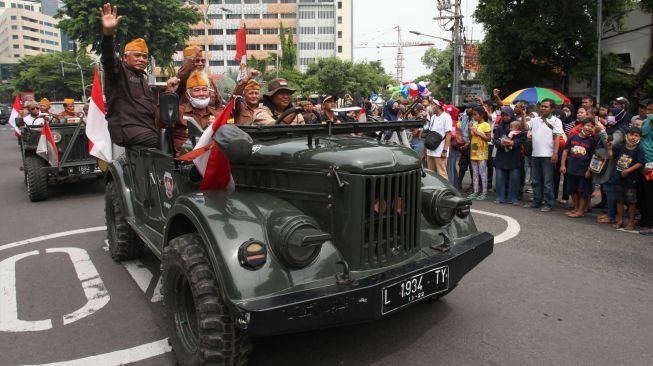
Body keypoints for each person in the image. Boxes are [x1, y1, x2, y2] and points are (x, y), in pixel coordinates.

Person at [99, 3, 158, 148]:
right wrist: (108, 34)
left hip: (147, 129)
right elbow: (108, 58)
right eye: (137, 55)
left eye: (145, 57)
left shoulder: (142, 79)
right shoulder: (119, 71)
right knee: (165, 142)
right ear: (125, 58)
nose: (141, 59)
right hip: (127, 130)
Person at [159, 71, 222, 151]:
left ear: (209, 93)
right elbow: (162, 124)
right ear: (187, 95)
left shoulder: (216, 114)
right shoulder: (179, 111)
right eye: (197, 90)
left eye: (204, 90)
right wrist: (169, 93)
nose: (201, 93)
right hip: (183, 158)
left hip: (208, 157)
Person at [522, 98, 563, 212]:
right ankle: (536, 201)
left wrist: (555, 153)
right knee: (536, 180)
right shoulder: (535, 120)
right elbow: (525, 127)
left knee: (548, 182)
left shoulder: (556, 121)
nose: (543, 108)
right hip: (535, 155)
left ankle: (548, 203)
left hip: (548, 155)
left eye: (546, 106)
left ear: (552, 109)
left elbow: (557, 138)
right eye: (542, 106)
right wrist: (523, 115)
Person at [607, 126, 644, 230]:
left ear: (640, 138)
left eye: (636, 136)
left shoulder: (639, 149)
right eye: (631, 135)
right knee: (619, 200)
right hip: (617, 178)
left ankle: (631, 222)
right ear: (626, 136)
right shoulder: (621, 147)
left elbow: (641, 163)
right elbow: (611, 157)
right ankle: (620, 220)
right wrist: (609, 148)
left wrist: (628, 170)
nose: (633, 137)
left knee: (631, 202)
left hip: (630, 180)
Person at [560, 118, 596, 217]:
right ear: (582, 126)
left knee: (583, 191)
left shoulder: (592, 141)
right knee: (572, 190)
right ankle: (576, 208)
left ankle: (581, 210)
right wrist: (563, 165)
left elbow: (593, 157)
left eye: (592, 127)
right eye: (587, 125)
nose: (589, 128)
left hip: (584, 170)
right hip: (571, 168)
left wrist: (589, 170)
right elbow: (565, 151)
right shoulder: (572, 138)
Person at [493, 106, 525, 204]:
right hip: (501, 155)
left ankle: (513, 198)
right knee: (499, 178)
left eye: (506, 115)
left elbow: (523, 138)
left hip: (514, 156)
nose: (504, 117)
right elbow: (495, 139)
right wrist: (500, 143)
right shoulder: (499, 127)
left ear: (511, 115)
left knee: (514, 178)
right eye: (503, 115)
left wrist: (513, 143)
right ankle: (500, 197)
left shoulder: (517, 126)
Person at [176, 44, 222, 110]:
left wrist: (217, 116)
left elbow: (219, 105)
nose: (201, 64)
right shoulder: (182, 80)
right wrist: (193, 56)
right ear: (187, 62)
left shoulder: (209, 81)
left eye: (203, 61)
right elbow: (181, 75)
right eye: (196, 61)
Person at [468, 106, 491, 200]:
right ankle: (475, 191)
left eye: (475, 114)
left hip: (482, 152)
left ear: (481, 115)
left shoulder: (486, 125)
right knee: (475, 173)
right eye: (473, 114)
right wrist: (470, 130)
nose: (474, 116)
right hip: (473, 151)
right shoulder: (474, 124)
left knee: (483, 172)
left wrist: (477, 132)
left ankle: (484, 192)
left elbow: (488, 138)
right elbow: (471, 138)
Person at [424, 99, 452, 179]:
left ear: (438, 105)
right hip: (430, 150)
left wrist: (445, 150)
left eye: (432, 104)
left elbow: (448, 134)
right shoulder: (433, 117)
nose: (431, 106)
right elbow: (430, 133)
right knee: (431, 174)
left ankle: (444, 190)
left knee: (442, 174)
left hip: (440, 151)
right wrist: (426, 149)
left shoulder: (446, 117)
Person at [638, 101, 653, 235]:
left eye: (650, 110)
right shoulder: (646, 121)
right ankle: (644, 220)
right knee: (642, 193)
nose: (648, 113)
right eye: (647, 110)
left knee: (650, 195)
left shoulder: (649, 120)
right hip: (642, 162)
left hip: (650, 164)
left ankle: (650, 223)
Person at [457, 102, 476, 190]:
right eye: (467, 108)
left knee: (473, 167)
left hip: (473, 145)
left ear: (474, 109)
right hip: (463, 144)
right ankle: (459, 183)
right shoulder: (465, 118)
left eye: (469, 108)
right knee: (462, 165)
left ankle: (473, 186)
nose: (467, 109)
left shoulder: (477, 119)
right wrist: (461, 142)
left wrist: (467, 144)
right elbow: (461, 130)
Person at [445, 104, 461, 188]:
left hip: (451, 148)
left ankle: (450, 188)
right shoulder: (454, 121)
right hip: (452, 148)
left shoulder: (452, 122)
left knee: (450, 168)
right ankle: (455, 186)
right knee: (452, 168)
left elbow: (452, 135)